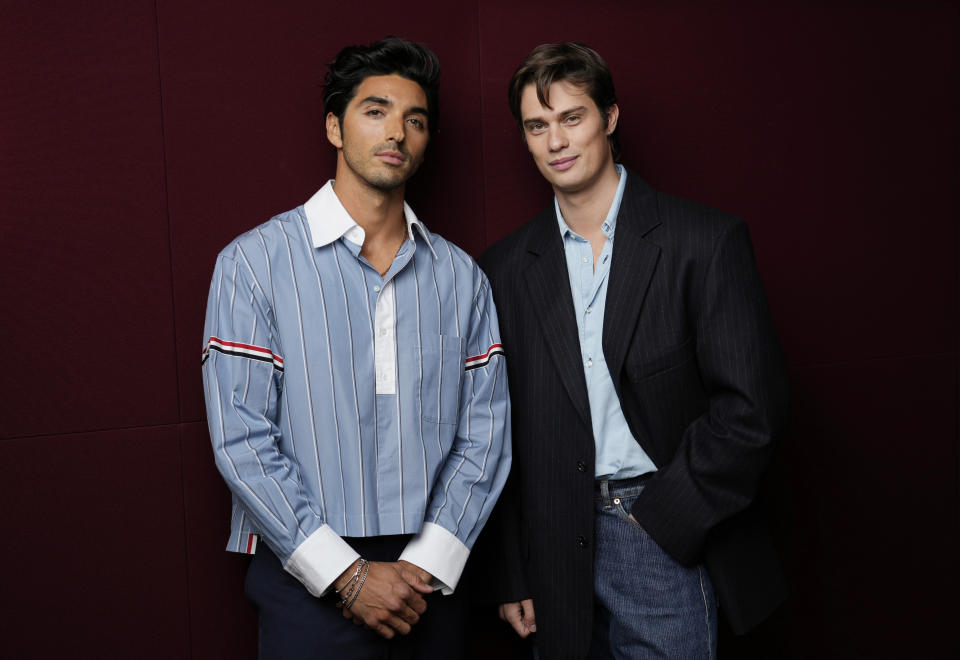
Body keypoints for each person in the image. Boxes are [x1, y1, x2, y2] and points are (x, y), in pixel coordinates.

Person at [201, 37, 511, 660]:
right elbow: (242, 439)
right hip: (303, 574)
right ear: (334, 127)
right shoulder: (254, 265)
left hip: (432, 584)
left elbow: (486, 432)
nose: (396, 130)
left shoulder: (461, 278)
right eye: (375, 110)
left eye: (415, 119)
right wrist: (347, 577)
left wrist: (425, 566)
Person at [477, 42, 789, 659]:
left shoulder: (703, 240)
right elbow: (500, 430)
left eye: (572, 118)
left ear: (610, 118)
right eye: (537, 126)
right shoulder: (506, 268)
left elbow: (753, 410)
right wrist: (512, 569)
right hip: (553, 546)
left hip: (662, 527)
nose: (555, 141)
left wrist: (667, 518)